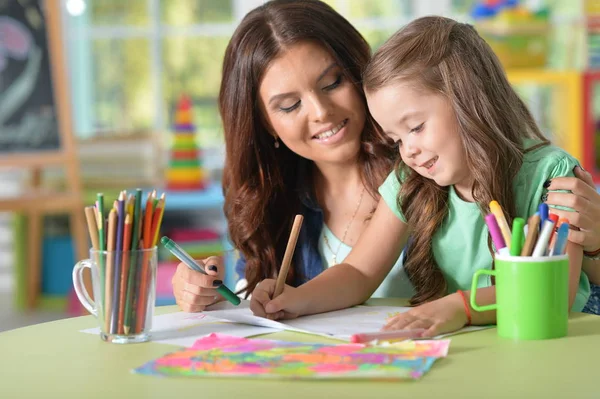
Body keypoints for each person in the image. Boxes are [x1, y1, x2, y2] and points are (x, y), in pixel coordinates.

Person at [172, 1, 600, 315]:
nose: (409, 150)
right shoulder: (411, 181)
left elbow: (553, 293)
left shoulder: (549, 175)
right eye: (397, 138)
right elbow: (358, 273)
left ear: (470, 101)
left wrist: (459, 307)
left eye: (414, 128)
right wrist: (294, 298)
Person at [171, 0, 412, 314]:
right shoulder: (271, 201)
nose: (322, 112)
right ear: (264, 124)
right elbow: (259, 308)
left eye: (332, 83)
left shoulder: (422, 168)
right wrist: (210, 296)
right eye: (289, 105)